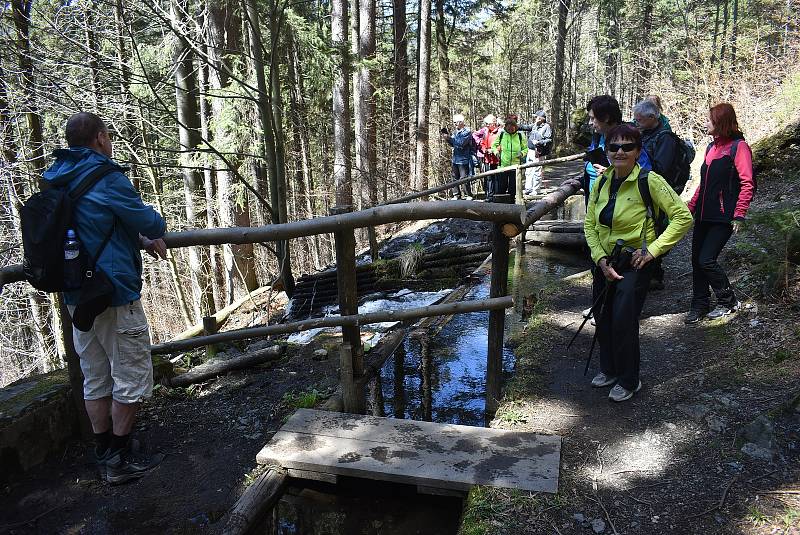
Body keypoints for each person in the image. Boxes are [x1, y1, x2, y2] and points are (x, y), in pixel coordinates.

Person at [43, 112, 168, 483]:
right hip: (113, 293)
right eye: (108, 136)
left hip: (77, 294)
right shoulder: (106, 177)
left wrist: (137, 240)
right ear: (99, 138)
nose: (110, 141)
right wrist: (149, 232)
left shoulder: (57, 179)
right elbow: (153, 224)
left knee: (95, 376)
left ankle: (104, 452)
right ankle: (119, 458)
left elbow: (93, 226)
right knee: (130, 376)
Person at [584, 124, 692, 402]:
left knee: (623, 321)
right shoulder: (603, 181)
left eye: (627, 147)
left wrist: (653, 251)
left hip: (635, 262)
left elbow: (683, 217)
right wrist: (600, 258)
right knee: (603, 317)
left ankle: (629, 380)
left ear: (638, 151)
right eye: (613, 147)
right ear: (606, 151)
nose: (620, 152)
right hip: (605, 262)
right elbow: (589, 224)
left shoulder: (650, 181)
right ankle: (608, 369)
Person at [685, 103, 754, 323]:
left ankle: (728, 301)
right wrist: (690, 208)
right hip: (703, 216)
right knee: (696, 260)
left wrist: (740, 213)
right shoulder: (710, 148)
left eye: (708, 120)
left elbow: (747, 183)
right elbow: (703, 184)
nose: (705, 123)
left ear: (720, 122)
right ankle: (699, 304)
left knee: (707, 259)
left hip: (724, 216)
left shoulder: (739, 147)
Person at [634, 99, 680, 291]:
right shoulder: (647, 133)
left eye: (639, 120)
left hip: (658, 190)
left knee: (656, 228)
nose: (636, 123)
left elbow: (661, 169)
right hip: (645, 188)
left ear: (652, 118)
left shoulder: (665, 138)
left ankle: (654, 273)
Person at [582, 95, 652, 205]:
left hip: (621, 210)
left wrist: (613, 175)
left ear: (606, 118)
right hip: (596, 207)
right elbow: (593, 171)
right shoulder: (598, 138)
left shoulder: (629, 140)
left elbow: (645, 173)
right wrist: (578, 181)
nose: (590, 123)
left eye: (592, 118)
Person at [489, 114, 527, 200]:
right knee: (501, 186)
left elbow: (525, 149)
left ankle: (512, 204)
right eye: (508, 129)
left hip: (516, 166)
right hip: (503, 165)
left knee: (513, 187)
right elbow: (493, 146)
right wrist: (496, 152)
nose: (510, 130)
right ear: (506, 128)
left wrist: (521, 153)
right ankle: (501, 204)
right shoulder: (502, 134)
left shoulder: (520, 136)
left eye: (512, 129)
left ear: (515, 127)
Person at [441, 114, 475, 199]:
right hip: (455, 158)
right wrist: (447, 139)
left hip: (464, 159)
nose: (455, 124)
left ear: (461, 122)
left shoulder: (467, 132)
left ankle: (468, 194)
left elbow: (461, 144)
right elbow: (453, 144)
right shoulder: (455, 132)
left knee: (464, 179)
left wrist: (450, 138)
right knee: (454, 178)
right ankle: (456, 195)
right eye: (454, 122)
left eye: (456, 122)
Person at [524, 110, 553, 195]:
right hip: (530, 151)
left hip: (539, 152)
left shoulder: (546, 127)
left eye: (537, 117)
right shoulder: (534, 126)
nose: (535, 118)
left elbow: (549, 140)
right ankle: (528, 188)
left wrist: (539, 142)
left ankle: (535, 189)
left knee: (537, 170)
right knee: (528, 170)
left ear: (541, 118)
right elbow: (526, 128)